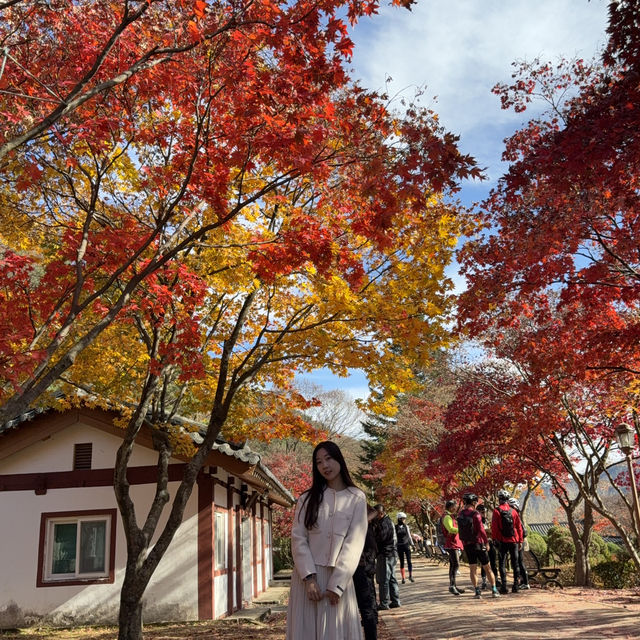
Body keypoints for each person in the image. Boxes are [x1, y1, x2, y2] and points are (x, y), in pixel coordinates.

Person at [286, 441, 368, 640]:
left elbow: (354, 543)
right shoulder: (306, 499)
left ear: (339, 458)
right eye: (319, 462)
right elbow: (298, 538)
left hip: (338, 576)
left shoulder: (356, 497)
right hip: (308, 580)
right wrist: (308, 579)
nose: (324, 465)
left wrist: (338, 584)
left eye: (328, 458)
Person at [456, 493, 500, 599]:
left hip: (467, 544)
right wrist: (486, 542)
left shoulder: (460, 515)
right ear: (474, 503)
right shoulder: (476, 514)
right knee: (487, 567)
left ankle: (477, 591)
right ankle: (494, 589)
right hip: (478, 544)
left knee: (473, 569)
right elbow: (481, 530)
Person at [491, 489, 524, 594]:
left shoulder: (496, 511)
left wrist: (495, 539)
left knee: (502, 563)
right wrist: (520, 541)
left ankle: (504, 586)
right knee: (515, 563)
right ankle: (515, 586)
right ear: (507, 500)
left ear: (499, 499)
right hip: (514, 541)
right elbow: (519, 527)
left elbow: (494, 528)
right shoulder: (513, 511)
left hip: (502, 541)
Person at [353, 505, 379, 640]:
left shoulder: (354, 496)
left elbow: (374, 511)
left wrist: (361, 522)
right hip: (349, 562)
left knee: (366, 605)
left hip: (362, 563)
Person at [373, 503, 401, 610]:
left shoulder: (384, 523)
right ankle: (395, 600)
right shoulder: (387, 521)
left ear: (380, 513)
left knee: (384, 578)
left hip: (386, 554)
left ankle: (384, 603)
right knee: (392, 578)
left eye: (375, 514)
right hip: (391, 553)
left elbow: (381, 538)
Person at [440, 499, 465, 595]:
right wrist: (461, 529)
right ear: (450, 507)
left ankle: (453, 585)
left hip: (453, 543)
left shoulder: (449, 516)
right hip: (451, 544)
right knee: (456, 564)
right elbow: (450, 528)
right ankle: (452, 585)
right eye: (455, 506)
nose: (456, 508)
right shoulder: (447, 517)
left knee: (453, 565)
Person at [508, 497, 531, 589]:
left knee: (519, 562)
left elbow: (523, 531)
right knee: (518, 562)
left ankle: (525, 582)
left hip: (518, 542)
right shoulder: (516, 515)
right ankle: (523, 581)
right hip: (518, 541)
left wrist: (520, 540)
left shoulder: (516, 516)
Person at [477, 503, 498, 590]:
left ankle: (496, 579)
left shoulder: (487, 521)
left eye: (485, 512)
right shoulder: (477, 521)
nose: (484, 514)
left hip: (490, 543)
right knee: (484, 563)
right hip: (482, 544)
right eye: (482, 512)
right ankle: (484, 581)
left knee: (493, 562)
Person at [395, 512, 415, 583]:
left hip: (406, 545)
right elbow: (395, 538)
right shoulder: (395, 527)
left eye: (404, 519)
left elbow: (409, 536)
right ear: (399, 519)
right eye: (403, 519)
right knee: (402, 562)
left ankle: (410, 576)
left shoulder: (406, 527)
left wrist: (412, 544)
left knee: (409, 561)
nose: (404, 520)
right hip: (399, 546)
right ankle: (403, 578)